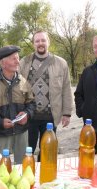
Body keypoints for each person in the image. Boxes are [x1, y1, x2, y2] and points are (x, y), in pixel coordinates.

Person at [20, 30, 73, 160]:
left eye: (43, 40)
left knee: (47, 154)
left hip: (50, 117)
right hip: (29, 116)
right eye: (37, 41)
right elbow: (17, 89)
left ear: (48, 42)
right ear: (33, 44)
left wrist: (66, 113)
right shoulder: (24, 62)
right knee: (27, 153)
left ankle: (44, 179)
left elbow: (66, 89)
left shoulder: (61, 63)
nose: (40, 43)